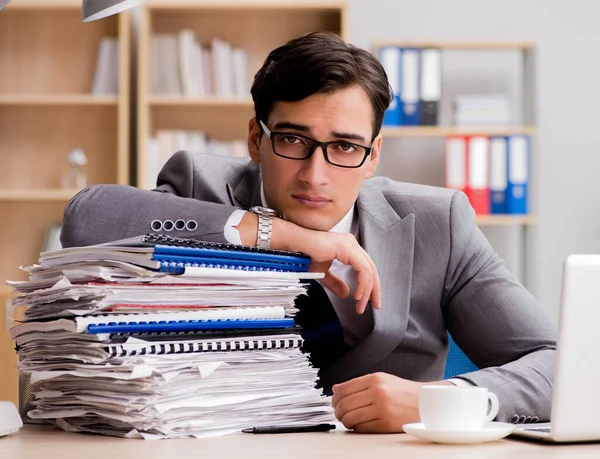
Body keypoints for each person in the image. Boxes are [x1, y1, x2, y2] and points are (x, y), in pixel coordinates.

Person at [61, 31, 556, 433]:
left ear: (374, 154)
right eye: (294, 140)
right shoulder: (201, 184)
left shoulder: (437, 223)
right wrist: (279, 236)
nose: (315, 176)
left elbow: (559, 365)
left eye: (344, 147)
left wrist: (444, 401)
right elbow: (87, 218)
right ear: (256, 139)